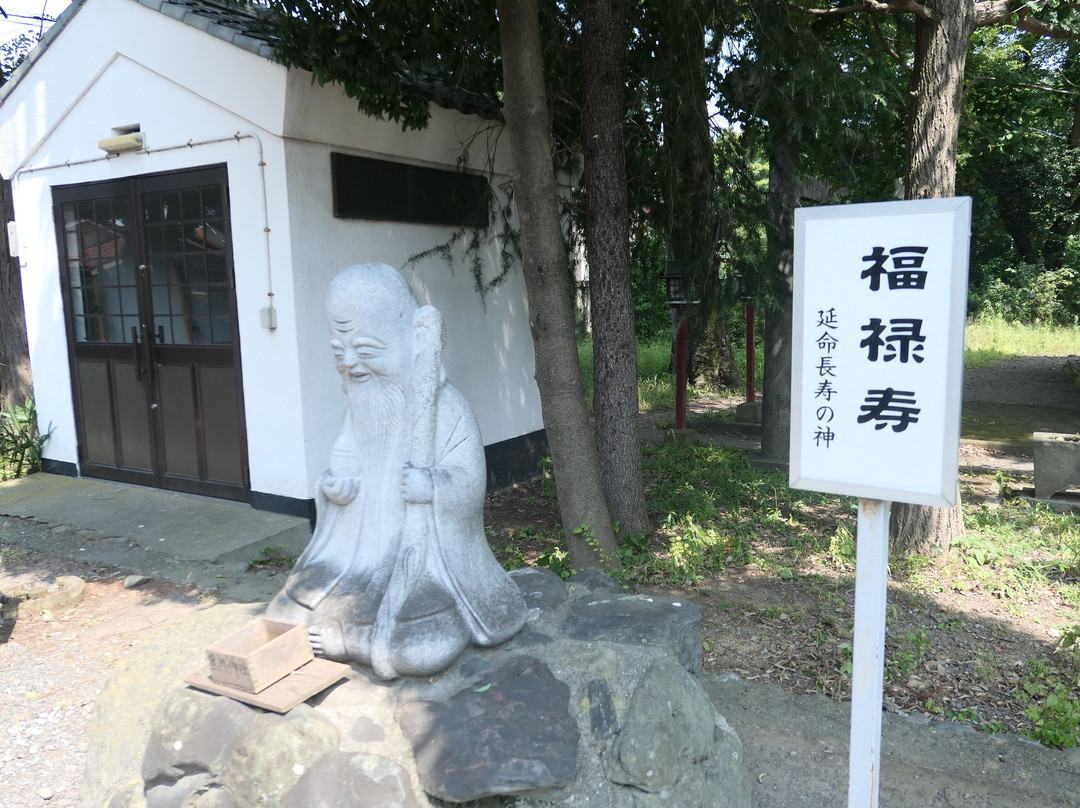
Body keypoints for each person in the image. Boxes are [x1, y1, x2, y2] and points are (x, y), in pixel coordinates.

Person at [267, 263, 526, 679]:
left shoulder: (447, 410)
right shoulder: (358, 410)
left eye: (365, 350)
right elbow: (344, 474)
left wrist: (432, 485)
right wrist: (336, 493)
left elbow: (469, 483)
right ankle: (351, 632)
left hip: (426, 566)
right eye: (339, 351)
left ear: (415, 341)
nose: (350, 363)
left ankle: (355, 640)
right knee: (285, 611)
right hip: (358, 560)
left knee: (419, 644)